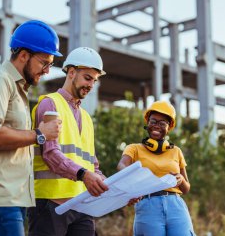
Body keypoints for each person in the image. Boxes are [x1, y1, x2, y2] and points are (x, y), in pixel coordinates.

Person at [0, 20, 63, 236]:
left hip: (10, 198)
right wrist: (39, 135)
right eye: (44, 63)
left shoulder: (17, 88)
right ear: (24, 55)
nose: (47, 71)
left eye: (50, 64)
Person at [28, 46, 109, 236]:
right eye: (87, 78)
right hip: (50, 205)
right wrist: (83, 175)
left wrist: (117, 189)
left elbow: (92, 165)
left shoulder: (87, 118)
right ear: (71, 72)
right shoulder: (50, 103)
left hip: (81, 206)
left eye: (94, 81)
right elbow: (50, 154)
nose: (90, 85)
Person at [117, 101, 196, 236]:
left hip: (176, 206)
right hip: (148, 205)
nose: (156, 126)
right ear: (147, 123)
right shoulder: (133, 148)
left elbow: (186, 188)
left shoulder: (176, 151)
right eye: (153, 121)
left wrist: (181, 179)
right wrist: (134, 180)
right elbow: (121, 166)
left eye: (162, 123)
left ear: (169, 127)